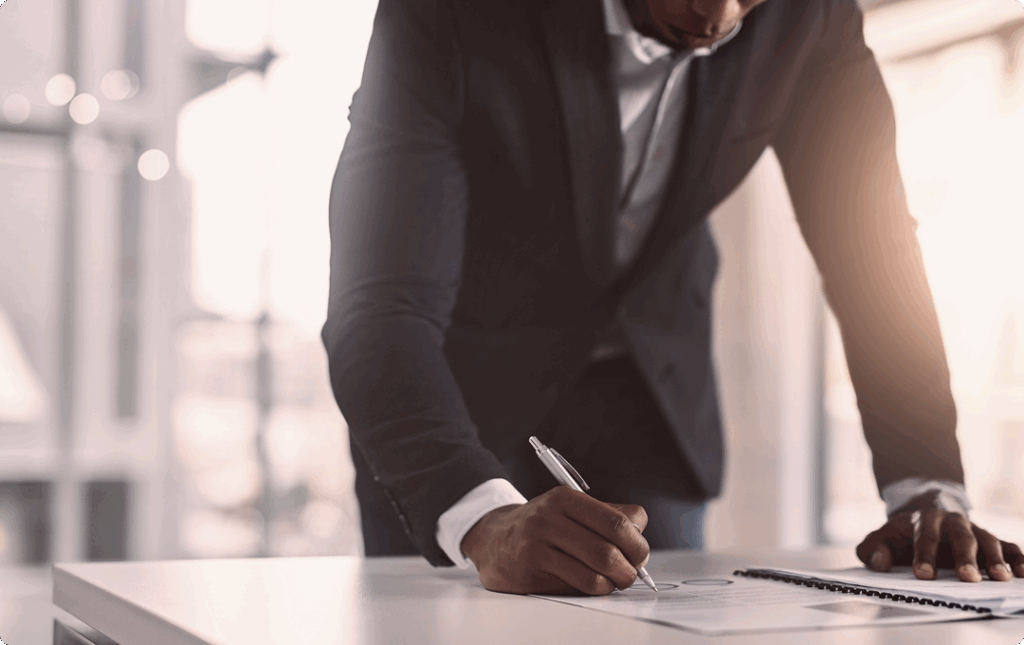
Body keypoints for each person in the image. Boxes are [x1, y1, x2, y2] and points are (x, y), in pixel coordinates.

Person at [322, 0, 1024, 595]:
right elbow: (381, 304)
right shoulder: (446, 13)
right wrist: (477, 514)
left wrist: (925, 485)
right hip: (447, 412)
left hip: (650, 400)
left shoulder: (809, 14)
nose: (717, 17)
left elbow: (871, 252)